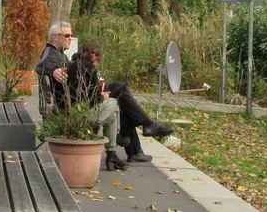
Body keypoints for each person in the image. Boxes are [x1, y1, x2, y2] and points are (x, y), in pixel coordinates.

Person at [35, 21, 174, 163]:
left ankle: (138, 142)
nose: (70, 38)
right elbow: (41, 65)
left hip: (77, 99)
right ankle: (141, 136)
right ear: (54, 37)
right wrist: (53, 70)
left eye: (71, 35)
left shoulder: (58, 54)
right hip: (75, 106)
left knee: (121, 93)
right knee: (120, 92)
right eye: (66, 35)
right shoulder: (50, 53)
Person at [63, 43, 128, 171]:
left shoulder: (70, 65)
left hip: (71, 110)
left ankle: (112, 155)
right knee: (113, 102)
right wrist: (102, 95)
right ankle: (114, 145)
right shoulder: (90, 68)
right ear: (95, 57)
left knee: (112, 116)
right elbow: (92, 99)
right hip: (83, 114)